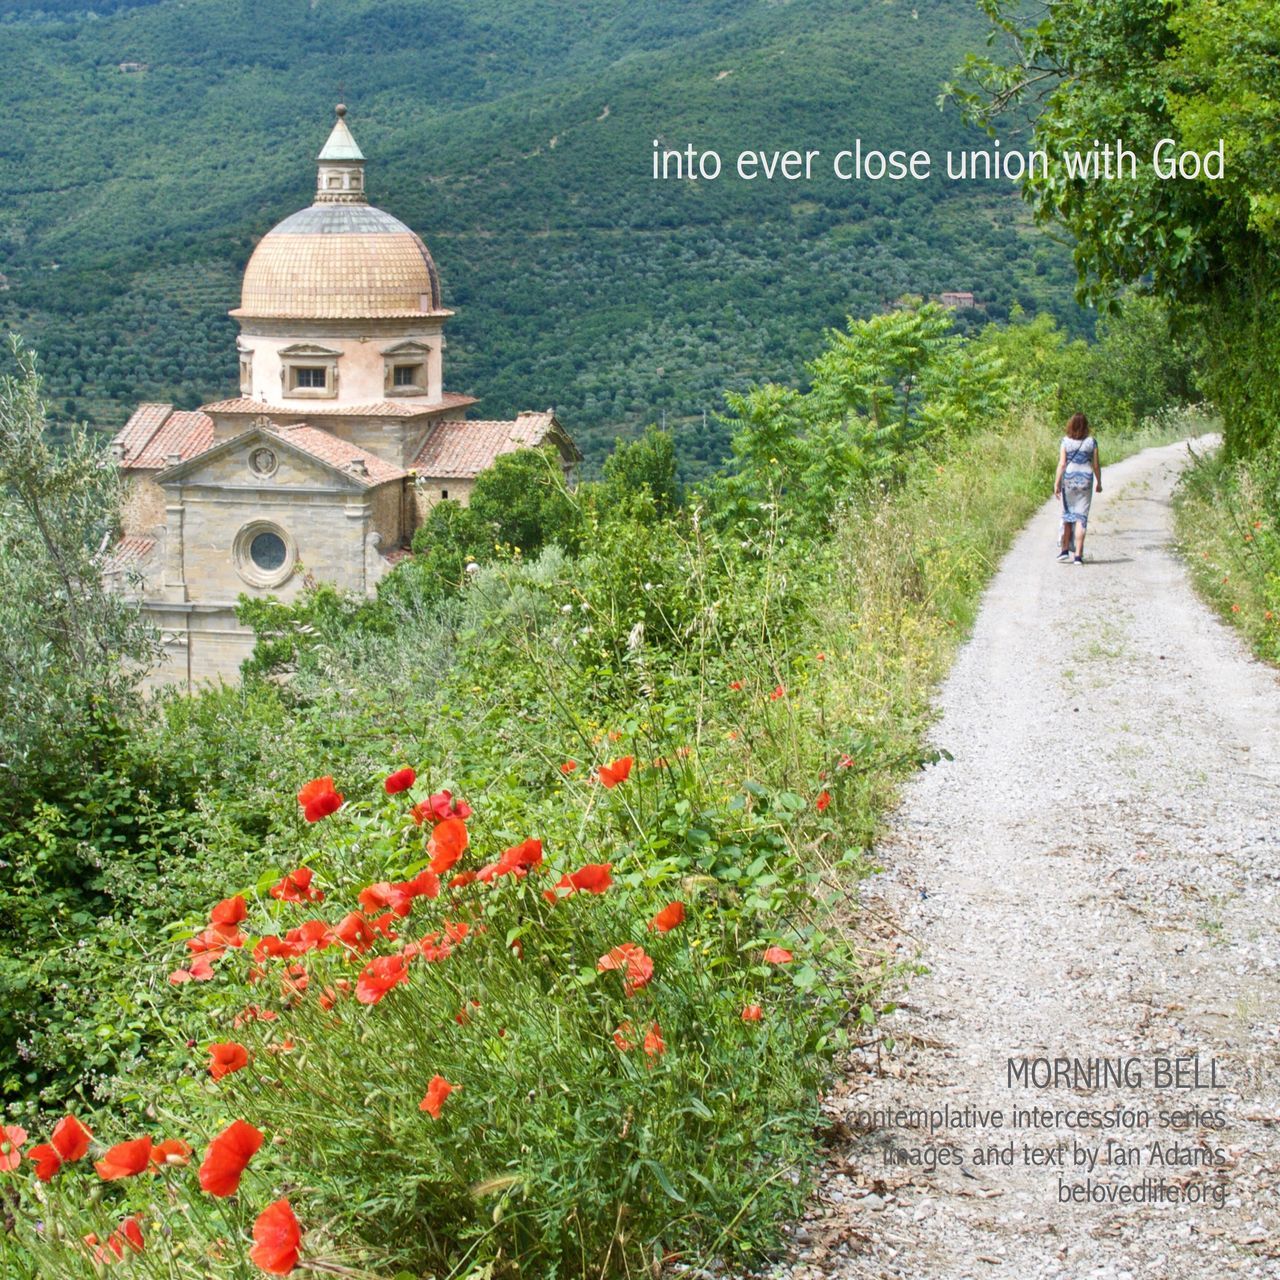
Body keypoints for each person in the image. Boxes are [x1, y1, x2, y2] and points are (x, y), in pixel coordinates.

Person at [1054, 412, 1102, 564]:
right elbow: (1095, 465)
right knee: (1081, 517)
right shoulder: (1092, 442)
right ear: (1086, 426)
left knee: (1068, 515)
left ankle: (1064, 550)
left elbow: (1062, 464)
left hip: (1069, 480)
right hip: (1086, 480)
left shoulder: (1065, 442)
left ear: (1071, 425)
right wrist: (1099, 482)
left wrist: (1056, 483)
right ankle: (1078, 556)